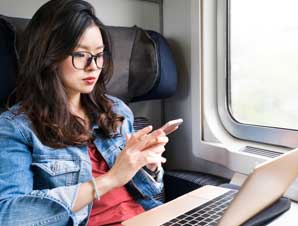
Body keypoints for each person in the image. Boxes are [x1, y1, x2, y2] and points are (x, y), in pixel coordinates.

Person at [0, 0, 171, 225]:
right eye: (80, 55)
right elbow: (10, 216)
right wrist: (109, 180)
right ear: (48, 57)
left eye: (99, 55)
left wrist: (149, 166)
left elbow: (145, 191)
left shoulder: (116, 109)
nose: (93, 66)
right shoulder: (15, 128)